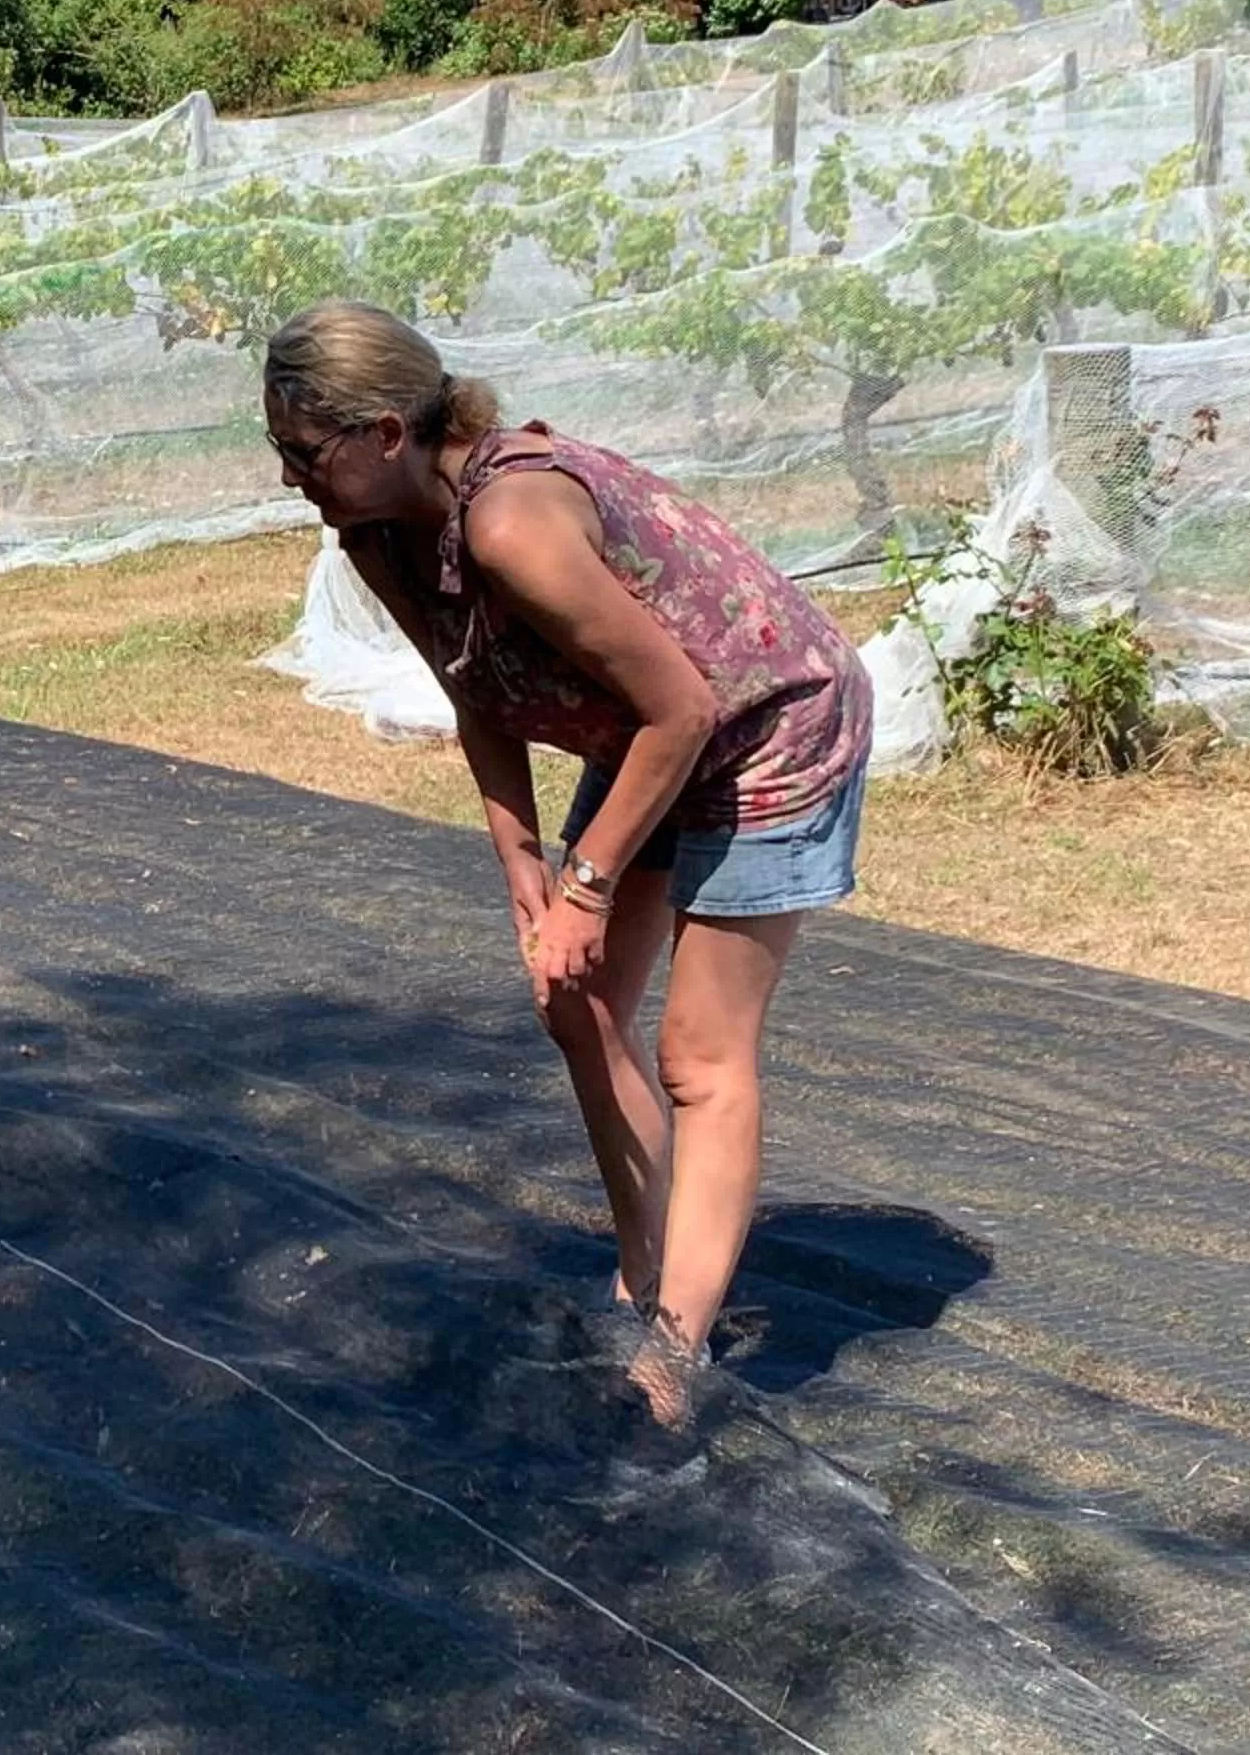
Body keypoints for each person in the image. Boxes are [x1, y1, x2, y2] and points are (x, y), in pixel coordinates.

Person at [262, 300, 871, 1427]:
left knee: (702, 1053)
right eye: (277, 451)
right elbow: (471, 687)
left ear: (385, 433)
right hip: (640, 733)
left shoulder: (513, 523)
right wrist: (525, 874)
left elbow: (684, 708)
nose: (290, 476)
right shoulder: (375, 535)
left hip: (762, 723)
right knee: (574, 997)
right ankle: (645, 1277)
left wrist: (587, 886)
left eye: (304, 452)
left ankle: (677, 1357)